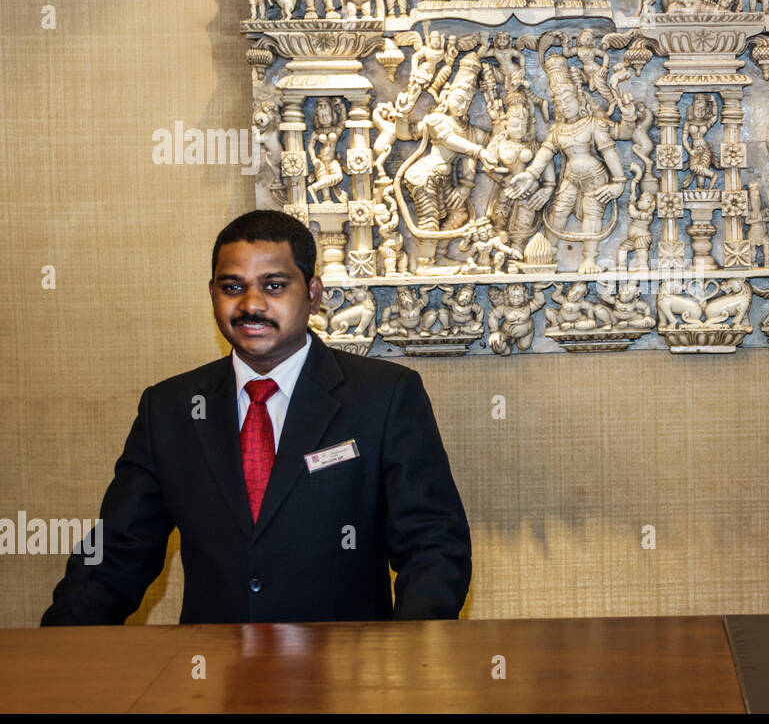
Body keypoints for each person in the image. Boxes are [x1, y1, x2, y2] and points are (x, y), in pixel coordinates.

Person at [42, 210, 471, 624]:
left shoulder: (384, 396)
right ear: (212, 293)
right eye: (233, 287)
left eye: (274, 285)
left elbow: (433, 545)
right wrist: (58, 657)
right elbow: (115, 555)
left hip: (347, 680)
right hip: (210, 680)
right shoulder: (169, 408)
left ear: (313, 293)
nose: (251, 304)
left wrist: (410, 660)